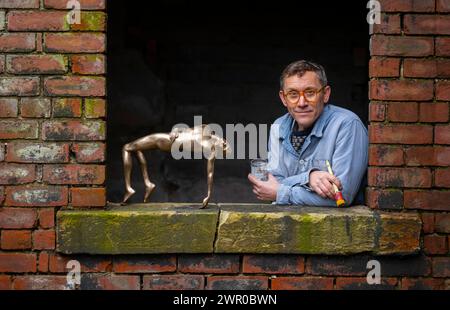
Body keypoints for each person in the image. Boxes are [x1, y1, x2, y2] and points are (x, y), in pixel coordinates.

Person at [248, 60, 368, 206]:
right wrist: (309, 178)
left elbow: (342, 196)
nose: (302, 103)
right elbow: (272, 182)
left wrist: (281, 193)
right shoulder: (278, 126)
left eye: (310, 93)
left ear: (325, 94)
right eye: (293, 94)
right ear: (283, 98)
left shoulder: (347, 125)